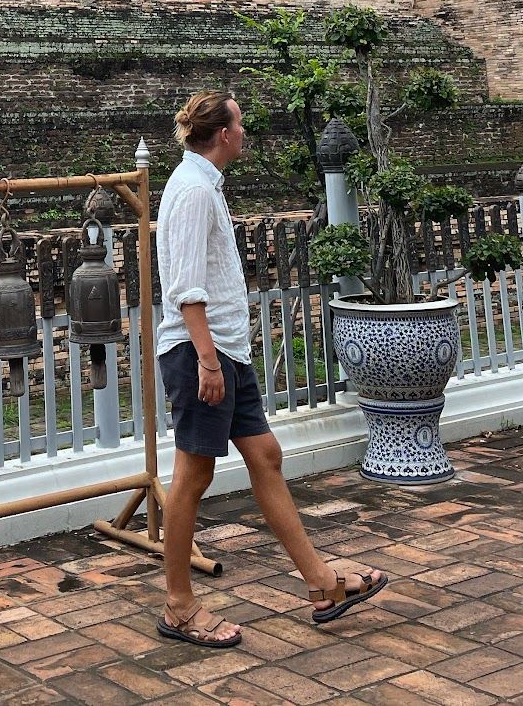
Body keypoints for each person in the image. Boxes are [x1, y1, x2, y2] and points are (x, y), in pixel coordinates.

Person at [155, 90, 387, 648]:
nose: (246, 133)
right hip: (200, 355)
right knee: (194, 476)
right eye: (240, 124)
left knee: (265, 455)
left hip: (226, 352)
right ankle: (179, 605)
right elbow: (185, 286)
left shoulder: (207, 185)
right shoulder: (190, 191)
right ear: (224, 133)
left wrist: (222, 356)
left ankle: (322, 584)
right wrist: (207, 361)